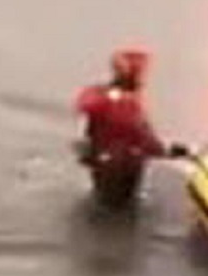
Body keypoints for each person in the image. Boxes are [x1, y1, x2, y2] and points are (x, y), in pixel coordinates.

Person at [75, 49, 187, 205]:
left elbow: (84, 112)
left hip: (102, 162)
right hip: (124, 167)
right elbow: (144, 138)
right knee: (120, 207)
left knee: (102, 201)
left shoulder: (99, 95)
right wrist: (170, 151)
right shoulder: (128, 105)